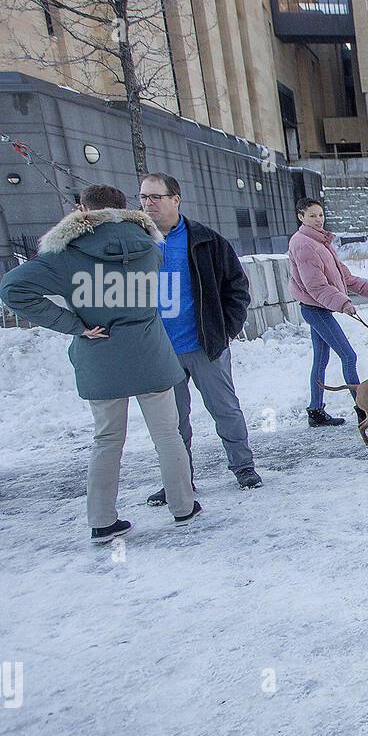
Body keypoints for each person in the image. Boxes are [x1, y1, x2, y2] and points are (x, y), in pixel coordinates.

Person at [0, 183, 200, 541]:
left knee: (107, 439)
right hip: (151, 352)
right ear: (125, 208)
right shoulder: (150, 246)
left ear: (83, 211)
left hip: (101, 353)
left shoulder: (67, 254)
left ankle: (103, 520)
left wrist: (72, 324)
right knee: (168, 435)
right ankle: (183, 506)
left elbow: (13, 289)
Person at [138, 172, 262, 503]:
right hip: (159, 351)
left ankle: (243, 466)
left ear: (175, 199)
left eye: (155, 197)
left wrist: (226, 330)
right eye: (143, 197)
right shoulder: (135, 242)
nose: (148, 204)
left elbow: (236, 287)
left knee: (225, 409)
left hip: (205, 345)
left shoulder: (205, 240)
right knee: (172, 423)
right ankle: (179, 480)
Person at [287, 197, 368, 427]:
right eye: (312, 216)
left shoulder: (321, 242)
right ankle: (365, 411)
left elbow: (344, 276)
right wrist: (343, 303)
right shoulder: (303, 244)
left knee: (321, 360)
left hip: (320, 307)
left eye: (320, 215)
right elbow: (315, 286)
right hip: (316, 309)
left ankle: (315, 412)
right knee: (348, 356)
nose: (318, 220)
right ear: (300, 217)